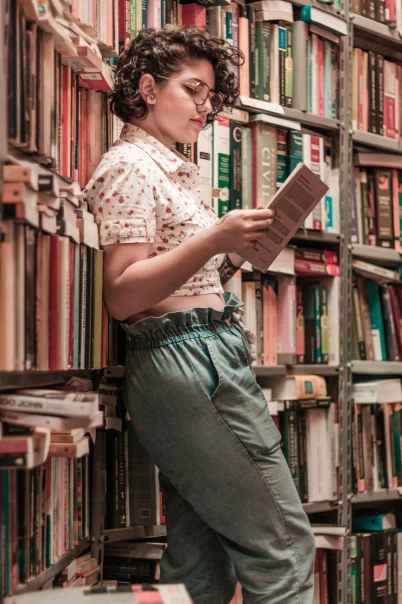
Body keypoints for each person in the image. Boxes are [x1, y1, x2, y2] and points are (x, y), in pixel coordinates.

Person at [84, 26, 315, 604]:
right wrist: (214, 240)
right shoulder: (130, 166)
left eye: (210, 97)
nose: (204, 107)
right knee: (284, 548)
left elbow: (178, 273)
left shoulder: (172, 170)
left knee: (201, 561)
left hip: (203, 352)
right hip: (188, 359)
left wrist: (228, 255)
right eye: (193, 90)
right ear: (147, 88)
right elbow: (122, 293)